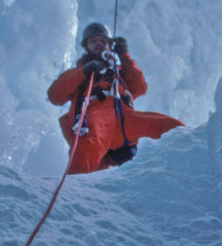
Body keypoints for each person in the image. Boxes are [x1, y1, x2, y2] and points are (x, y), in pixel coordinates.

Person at [47, 22, 185, 174]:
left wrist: (124, 56)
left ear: (109, 45)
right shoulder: (78, 73)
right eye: (93, 41)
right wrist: (84, 72)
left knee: (171, 126)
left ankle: (195, 160)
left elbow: (140, 87)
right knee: (86, 149)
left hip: (124, 117)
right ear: (86, 46)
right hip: (96, 118)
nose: (98, 44)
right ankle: (73, 193)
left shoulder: (118, 72)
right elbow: (55, 96)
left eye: (103, 41)